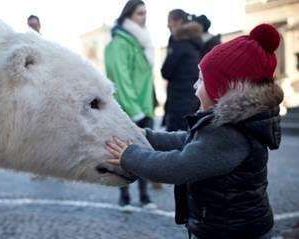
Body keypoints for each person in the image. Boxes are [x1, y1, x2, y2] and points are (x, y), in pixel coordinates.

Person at [106, 24, 283, 239]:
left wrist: (130, 156)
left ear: (222, 90)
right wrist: (148, 137)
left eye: (201, 80)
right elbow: (188, 140)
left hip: (232, 233)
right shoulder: (230, 124)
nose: (194, 86)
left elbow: (178, 166)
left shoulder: (230, 136)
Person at [104, 0, 156, 209]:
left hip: (145, 107)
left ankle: (144, 196)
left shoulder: (141, 43)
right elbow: (120, 79)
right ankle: (124, 196)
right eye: (139, 13)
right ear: (129, 15)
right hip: (129, 110)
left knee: (145, 153)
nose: (144, 17)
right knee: (121, 154)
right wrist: (135, 111)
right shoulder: (119, 43)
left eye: (145, 13)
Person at [161, 10, 202, 132]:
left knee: (174, 143)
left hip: (178, 105)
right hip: (193, 102)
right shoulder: (194, 42)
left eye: (169, 21)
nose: (168, 25)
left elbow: (165, 72)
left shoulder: (178, 43)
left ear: (178, 21)